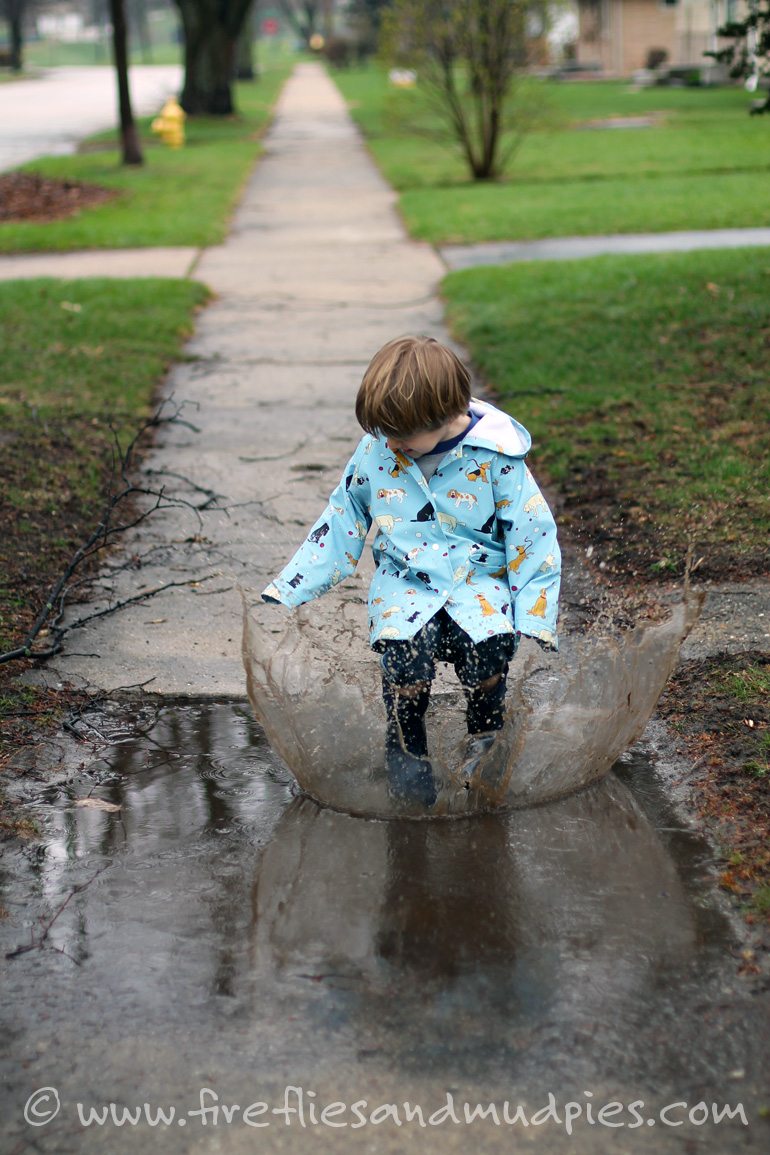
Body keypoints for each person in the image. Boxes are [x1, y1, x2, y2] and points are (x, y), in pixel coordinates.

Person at [262, 335, 560, 807]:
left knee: (487, 656)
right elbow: (342, 517)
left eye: (400, 434)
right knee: (406, 666)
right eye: (384, 431)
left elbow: (531, 534)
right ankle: (407, 750)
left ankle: (485, 739)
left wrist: (534, 612)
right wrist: (293, 583)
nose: (391, 443)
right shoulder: (377, 452)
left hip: (479, 586)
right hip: (407, 587)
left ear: (445, 414)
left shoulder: (496, 458)